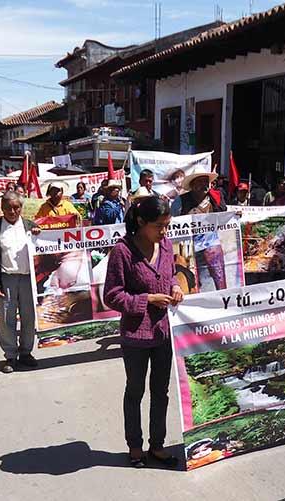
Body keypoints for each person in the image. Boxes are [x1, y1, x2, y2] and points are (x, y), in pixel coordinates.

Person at [103, 195, 184, 468]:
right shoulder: (122, 252)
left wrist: (175, 287)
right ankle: (135, 446)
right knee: (135, 390)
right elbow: (112, 296)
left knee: (160, 392)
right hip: (136, 336)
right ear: (141, 222)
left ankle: (157, 445)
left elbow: (170, 274)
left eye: (167, 225)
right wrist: (146, 300)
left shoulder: (167, 245)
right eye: (159, 226)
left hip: (163, 333)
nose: (164, 232)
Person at [0, 191, 42, 373]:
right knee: (6, 319)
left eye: (16, 207)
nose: (12, 211)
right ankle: (10, 356)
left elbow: (45, 250)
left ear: (21, 208)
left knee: (29, 317)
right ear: (1, 208)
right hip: (5, 279)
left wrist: (39, 234)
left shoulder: (31, 227)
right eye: (8, 207)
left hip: (28, 279)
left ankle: (26, 353)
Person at [171, 172, 228, 290]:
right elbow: (171, 221)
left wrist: (234, 216)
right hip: (188, 245)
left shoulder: (215, 198)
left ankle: (223, 296)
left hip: (211, 243)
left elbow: (224, 216)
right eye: (200, 182)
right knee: (191, 279)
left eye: (206, 182)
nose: (204, 185)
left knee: (218, 273)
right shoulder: (180, 201)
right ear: (192, 185)